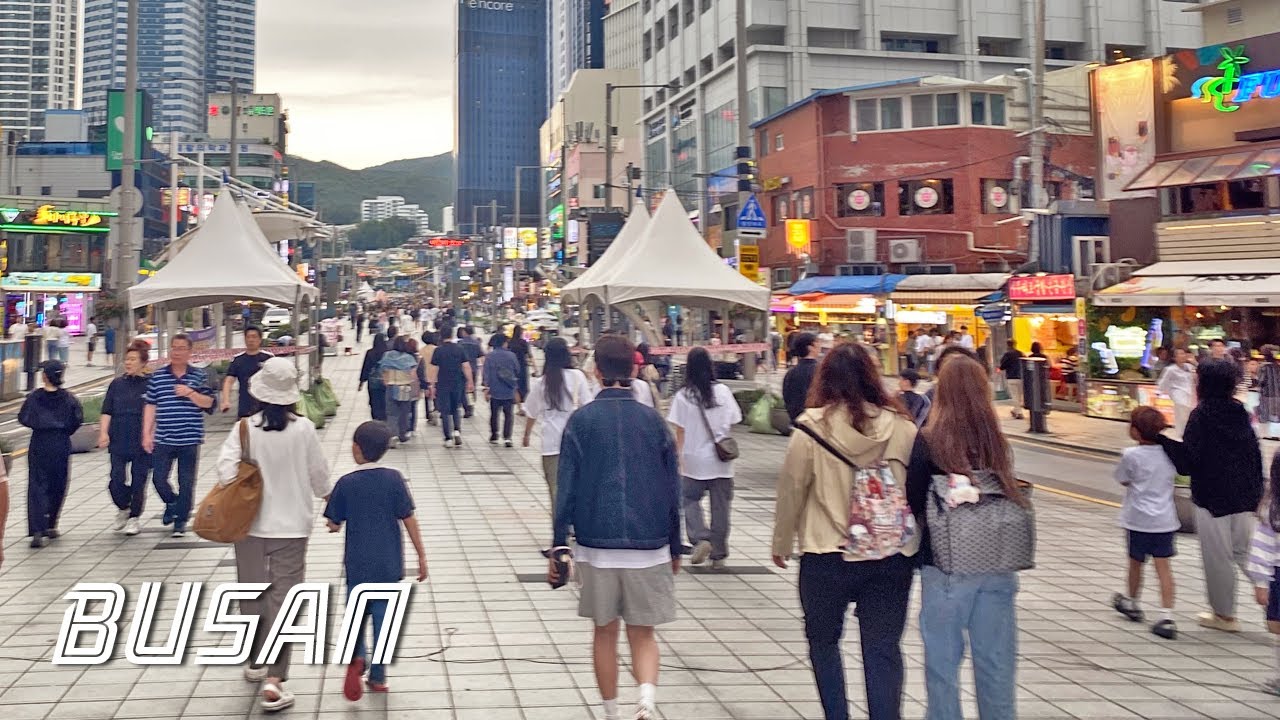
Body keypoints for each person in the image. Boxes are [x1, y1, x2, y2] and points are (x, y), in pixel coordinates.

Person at [772, 343, 918, 720]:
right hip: (889, 554)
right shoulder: (902, 427)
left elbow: (792, 490)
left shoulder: (811, 428)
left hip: (826, 553)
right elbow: (916, 489)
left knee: (823, 643)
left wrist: (782, 542)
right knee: (882, 648)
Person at [550, 334, 681, 720]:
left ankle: (611, 712)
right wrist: (675, 544)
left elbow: (565, 489)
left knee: (604, 632)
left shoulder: (581, 421)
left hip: (596, 545)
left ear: (596, 371)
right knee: (644, 632)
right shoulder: (653, 422)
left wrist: (559, 544)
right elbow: (672, 487)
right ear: (635, 371)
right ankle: (646, 700)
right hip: (650, 544)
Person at [906, 355, 1027, 720]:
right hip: (998, 562)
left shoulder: (929, 441)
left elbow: (913, 500)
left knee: (943, 665)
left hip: (946, 564)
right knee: (997, 663)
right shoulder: (996, 443)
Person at [216, 357, 332, 712]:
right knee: (284, 599)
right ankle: (275, 679)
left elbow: (225, 473)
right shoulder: (304, 429)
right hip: (292, 527)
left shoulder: (244, 429)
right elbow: (319, 474)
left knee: (252, 595)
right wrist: (330, 500)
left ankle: (255, 659)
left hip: (249, 525)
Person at [1160, 358, 1263, 633]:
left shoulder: (1202, 414)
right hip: (1244, 496)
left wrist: (1161, 440)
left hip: (1212, 497)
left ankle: (1224, 616)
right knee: (1244, 552)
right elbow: (1253, 454)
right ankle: (1273, 595)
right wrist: (1257, 494)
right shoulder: (1239, 411)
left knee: (1218, 557)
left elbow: (1188, 462)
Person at [327, 421, 428, 701]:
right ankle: (379, 677)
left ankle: (358, 655)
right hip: (388, 562)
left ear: (355, 448)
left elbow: (334, 522)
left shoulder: (346, 482)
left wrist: (333, 525)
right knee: (384, 618)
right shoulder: (394, 479)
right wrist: (421, 555)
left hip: (357, 563)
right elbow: (408, 518)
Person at [667, 347, 741, 569]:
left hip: (693, 460)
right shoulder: (724, 392)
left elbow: (680, 431)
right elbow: (733, 421)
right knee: (721, 507)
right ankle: (718, 553)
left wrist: (679, 457)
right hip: (721, 460)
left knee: (688, 499)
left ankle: (701, 537)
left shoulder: (683, 395)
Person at [1111, 406, 1179, 640]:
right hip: (1165, 520)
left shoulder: (1131, 454)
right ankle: (1167, 616)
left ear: (1136, 431)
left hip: (1138, 519)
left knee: (1135, 563)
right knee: (1164, 568)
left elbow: (1123, 479)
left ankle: (1132, 602)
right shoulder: (1169, 454)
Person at [143, 334, 216, 538]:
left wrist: (190, 392)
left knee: (186, 481)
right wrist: (146, 433)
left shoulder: (199, 376)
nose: (177, 352)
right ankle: (172, 503)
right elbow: (150, 405)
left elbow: (209, 403)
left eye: (181, 348)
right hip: (163, 437)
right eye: (174, 348)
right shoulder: (158, 376)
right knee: (158, 479)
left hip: (189, 437)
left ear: (190, 352)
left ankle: (180, 520)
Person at [19, 360, 83, 548]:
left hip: (39, 442)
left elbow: (24, 417)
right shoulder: (68, 398)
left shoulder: (34, 397)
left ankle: (37, 529)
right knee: (58, 483)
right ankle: (51, 523)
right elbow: (77, 419)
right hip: (60, 443)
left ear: (45, 376)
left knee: (37, 485)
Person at [523, 337, 592, 506]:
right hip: (577, 441)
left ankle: (559, 521)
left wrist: (527, 435)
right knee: (578, 488)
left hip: (551, 443)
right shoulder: (578, 377)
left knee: (556, 491)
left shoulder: (542, 382)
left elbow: (531, 412)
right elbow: (588, 406)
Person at [99, 340, 152, 537]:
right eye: (127, 359)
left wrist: (151, 435)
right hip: (118, 437)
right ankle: (124, 507)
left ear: (143, 362)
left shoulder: (150, 384)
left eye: (133, 359)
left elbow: (155, 412)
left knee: (139, 480)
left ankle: (134, 517)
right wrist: (103, 433)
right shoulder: (117, 384)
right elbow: (107, 410)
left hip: (141, 439)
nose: (128, 363)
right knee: (115, 480)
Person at [1247, 454, 1280, 695]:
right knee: (1274, 624)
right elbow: (1263, 543)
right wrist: (1260, 580)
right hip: (1277, 571)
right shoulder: (1272, 508)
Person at [430, 324, 475, 448]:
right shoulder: (459, 349)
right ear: (452, 334)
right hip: (457, 383)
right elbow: (466, 366)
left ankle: (448, 438)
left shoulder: (438, 350)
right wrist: (470, 381)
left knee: (445, 411)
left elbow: (434, 369)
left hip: (443, 384)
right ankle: (456, 431)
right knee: (456, 408)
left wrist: (432, 385)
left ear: (441, 335)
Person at [222, 326, 274, 418]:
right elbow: (229, 381)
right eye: (248, 337)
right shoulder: (237, 360)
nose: (251, 340)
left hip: (266, 406)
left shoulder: (269, 358)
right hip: (245, 406)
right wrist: (226, 400)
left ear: (260, 339)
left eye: (254, 337)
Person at [379, 336, 421, 444]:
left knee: (391, 413)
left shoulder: (387, 356)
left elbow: (383, 370)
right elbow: (413, 374)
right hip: (404, 387)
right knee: (404, 412)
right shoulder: (408, 358)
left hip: (391, 386)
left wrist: (385, 381)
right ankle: (402, 434)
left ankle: (393, 435)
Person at [482, 332, 520, 447]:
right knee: (508, 414)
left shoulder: (490, 356)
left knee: (494, 414)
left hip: (494, 390)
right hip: (508, 389)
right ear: (504, 343)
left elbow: (486, 373)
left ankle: (494, 435)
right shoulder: (511, 355)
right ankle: (507, 437)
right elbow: (517, 370)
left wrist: (486, 388)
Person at [1157, 347, 1196, 438]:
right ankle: (1181, 434)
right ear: (1175, 357)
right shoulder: (1170, 369)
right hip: (1178, 394)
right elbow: (1163, 382)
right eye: (1180, 354)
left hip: (1190, 394)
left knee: (1190, 415)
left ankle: (1190, 434)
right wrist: (1163, 392)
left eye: (1184, 353)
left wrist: (1194, 362)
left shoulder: (1189, 367)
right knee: (1181, 415)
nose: (1183, 356)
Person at [782, 332, 820, 423]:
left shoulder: (791, 373)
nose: (820, 346)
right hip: (815, 421)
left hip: (796, 420)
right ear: (811, 347)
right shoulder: (821, 371)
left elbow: (787, 396)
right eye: (817, 343)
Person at [359, 334, 389, 422]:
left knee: (374, 401)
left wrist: (361, 382)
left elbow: (365, 368)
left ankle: (376, 418)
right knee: (384, 401)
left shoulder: (370, 353)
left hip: (373, 382)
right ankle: (384, 418)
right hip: (385, 381)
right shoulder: (387, 353)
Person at [458, 326, 483, 418]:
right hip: (473, 369)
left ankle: (466, 407)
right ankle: (471, 407)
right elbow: (481, 355)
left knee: (462, 389)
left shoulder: (460, 343)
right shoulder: (476, 343)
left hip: (462, 369)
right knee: (471, 389)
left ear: (465, 332)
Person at [998, 340, 1025, 420]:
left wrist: (1000, 368)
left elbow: (1003, 365)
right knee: (1019, 396)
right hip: (1020, 377)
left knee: (1015, 396)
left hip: (1011, 377)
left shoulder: (1007, 354)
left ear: (1007, 345)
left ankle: (1019, 412)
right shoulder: (1020, 353)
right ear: (1015, 344)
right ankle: (1015, 410)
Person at [508, 324, 532, 415]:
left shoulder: (510, 342)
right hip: (522, 366)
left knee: (515, 386)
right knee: (524, 386)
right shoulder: (523, 342)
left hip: (512, 366)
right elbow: (528, 354)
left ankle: (519, 407)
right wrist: (534, 367)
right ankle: (526, 407)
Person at [1260, 346, 1280, 441]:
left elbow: (1261, 381)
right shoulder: (1277, 367)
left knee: (1266, 414)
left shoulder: (1263, 367)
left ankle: (1268, 434)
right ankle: (1275, 434)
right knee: (1275, 415)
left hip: (1267, 395)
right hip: (1277, 395)